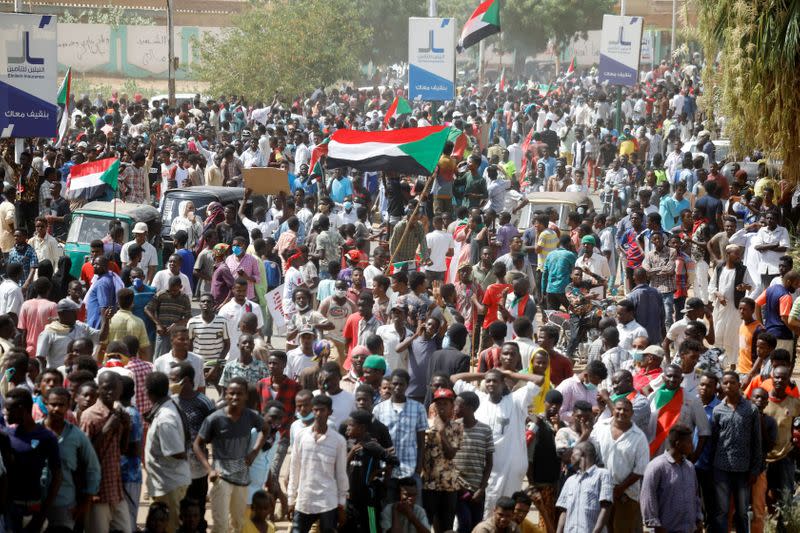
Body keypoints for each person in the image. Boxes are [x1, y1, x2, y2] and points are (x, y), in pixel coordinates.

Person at [451, 368, 544, 514]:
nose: (491, 383)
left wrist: (510, 374)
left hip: (510, 466)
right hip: (485, 467)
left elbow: (539, 379)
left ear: (503, 383)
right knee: (486, 510)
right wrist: (484, 374)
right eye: (488, 381)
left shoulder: (516, 400)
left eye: (495, 381)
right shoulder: (478, 399)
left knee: (506, 510)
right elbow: (454, 378)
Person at [194, 377, 271, 533]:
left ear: (246, 396)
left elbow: (266, 428)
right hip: (221, 478)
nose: (235, 397)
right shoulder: (215, 419)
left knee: (238, 524)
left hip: (242, 479)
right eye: (231, 393)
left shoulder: (251, 416)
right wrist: (210, 470)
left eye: (239, 394)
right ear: (226, 395)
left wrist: (254, 452)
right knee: (221, 525)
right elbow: (197, 444)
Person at [3, 387, 63, 532]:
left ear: (21, 409)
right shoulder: (6, 436)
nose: (5, 413)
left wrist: (42, 514)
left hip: (32, 507)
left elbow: (57, 476)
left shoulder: (46, 438)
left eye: (9, 409)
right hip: (9, 508)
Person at [287, 393, 348, 533]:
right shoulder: (301, 436)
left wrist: (342, 504)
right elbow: (294, 468)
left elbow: (341, 474)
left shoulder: (338, 441)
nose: (318, 413)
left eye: (322, 410)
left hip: (328, 501)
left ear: (330, 412)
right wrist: (291, 499)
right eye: (315, 410)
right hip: (304, 500)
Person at [43, 386, 102, 530]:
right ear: (46, 404)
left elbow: (93, 469)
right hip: (36, 503)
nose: (56, 409)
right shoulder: (35, 432)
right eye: (53, 404)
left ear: (68, 406)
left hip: (64, 505)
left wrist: (85, 504)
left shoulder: (77, 436)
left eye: (61, 405)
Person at [79, 371, 132, 533]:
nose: (110, 392)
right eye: (106, 388)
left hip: (115, 489)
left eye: (114, 388)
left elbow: (122, 450)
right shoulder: (90, 416)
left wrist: (126, 427)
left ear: (120, 390)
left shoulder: (118, 413)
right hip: (97, 492)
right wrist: (106, 429)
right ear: (98, 390)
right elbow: (84, 456)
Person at [710, 371, 762, 533]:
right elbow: (713, 441)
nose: (728, 386)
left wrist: (755, 470)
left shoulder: (751, 410)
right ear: (721, 386)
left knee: (741, 512)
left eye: (732, 382)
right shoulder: (718, 410)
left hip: (743, 469)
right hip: (721, 467)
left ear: (739, 385)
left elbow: (757, 442)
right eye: (725, 383)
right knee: (721, 511)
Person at [590, 397, 650, 532]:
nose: (622, 412)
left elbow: (640, 469)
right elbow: (590, 451)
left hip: (626, 495)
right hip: (599, 490)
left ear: (632, 413)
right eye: (618, 409)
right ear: (613, 410)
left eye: (626, 410)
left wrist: (619, 489)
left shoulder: (639, 437)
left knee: (621, 530)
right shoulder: (600, 427)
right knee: (600, 529)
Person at [145, 371, 192, 533]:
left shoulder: (165, 418)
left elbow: (176, 451)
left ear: (148, 393)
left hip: (170, 483)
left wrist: (188, 455)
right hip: (166, 481)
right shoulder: (167, 405)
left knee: (170, 527)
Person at [373, 369, 428, 498]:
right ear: (390, 384)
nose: (397, 387)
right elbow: (374, 441)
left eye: (401, 384)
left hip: (410, 469)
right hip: (386, 471)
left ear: (407, 385)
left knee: (413, 511)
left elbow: (421, 442)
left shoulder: (418, 408)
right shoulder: (379, 409)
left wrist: (418, 469)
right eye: (395, 384)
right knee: (387, 510)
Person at [640, 424, 703, 533]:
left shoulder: (690, 467)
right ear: (678, 444)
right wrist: (656, 525)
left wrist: (698, 519)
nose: (692, 446)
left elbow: (695, 496)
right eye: (689, 442)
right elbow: (648, 498)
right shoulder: (656, 466)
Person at [170, 361, 216, 505]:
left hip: (198, 466)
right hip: (176, 466)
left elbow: (214, 433)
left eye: (174, 379)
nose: (171, 383)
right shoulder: (171, 402)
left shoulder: (203, 402)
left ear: (187, 380)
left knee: (197, 507)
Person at [421, 387, 463, 532]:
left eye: (445, 403)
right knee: (426, 522)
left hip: (449, 484)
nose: (441, 407)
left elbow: (451, 454)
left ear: (452, 406)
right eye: (439, 403)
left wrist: (441, 432)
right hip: (428, 483)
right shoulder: (425, 424)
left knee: (447, 525)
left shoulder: (457, 427)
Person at [554, 441, 613, 533]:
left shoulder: (602, 475)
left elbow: (606, 507)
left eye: (573, 453)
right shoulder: (570, 480)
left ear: (581, 453)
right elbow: (564, 511)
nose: (571, 457)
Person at [147, 275, 192, 358]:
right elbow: (148, 309)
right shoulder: (161, 294)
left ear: (181, 287)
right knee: (159, 357)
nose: (172, 292)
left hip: (176, 334)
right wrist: (158, 324)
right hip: (162, 333)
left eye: (174, 290)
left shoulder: (185, 299)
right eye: (170, 290)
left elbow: (188, 316)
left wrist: (176, 325)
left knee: (176, 358)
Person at [154, 326, 206, 391]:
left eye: (187, 339)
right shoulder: (160, 362)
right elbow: (155, 389)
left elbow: (201, 387)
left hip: (191, 400)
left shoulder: (198, 360)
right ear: (172, 340)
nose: (186, 342)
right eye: (181, 339)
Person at [628, 268, 666, 345]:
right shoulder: (657, 293)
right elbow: (662, 316)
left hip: (639, 340)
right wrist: (663, 334)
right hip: (655, 337)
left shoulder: (632, 296)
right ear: (647, 277)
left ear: (634, 278)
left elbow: (629, 319)